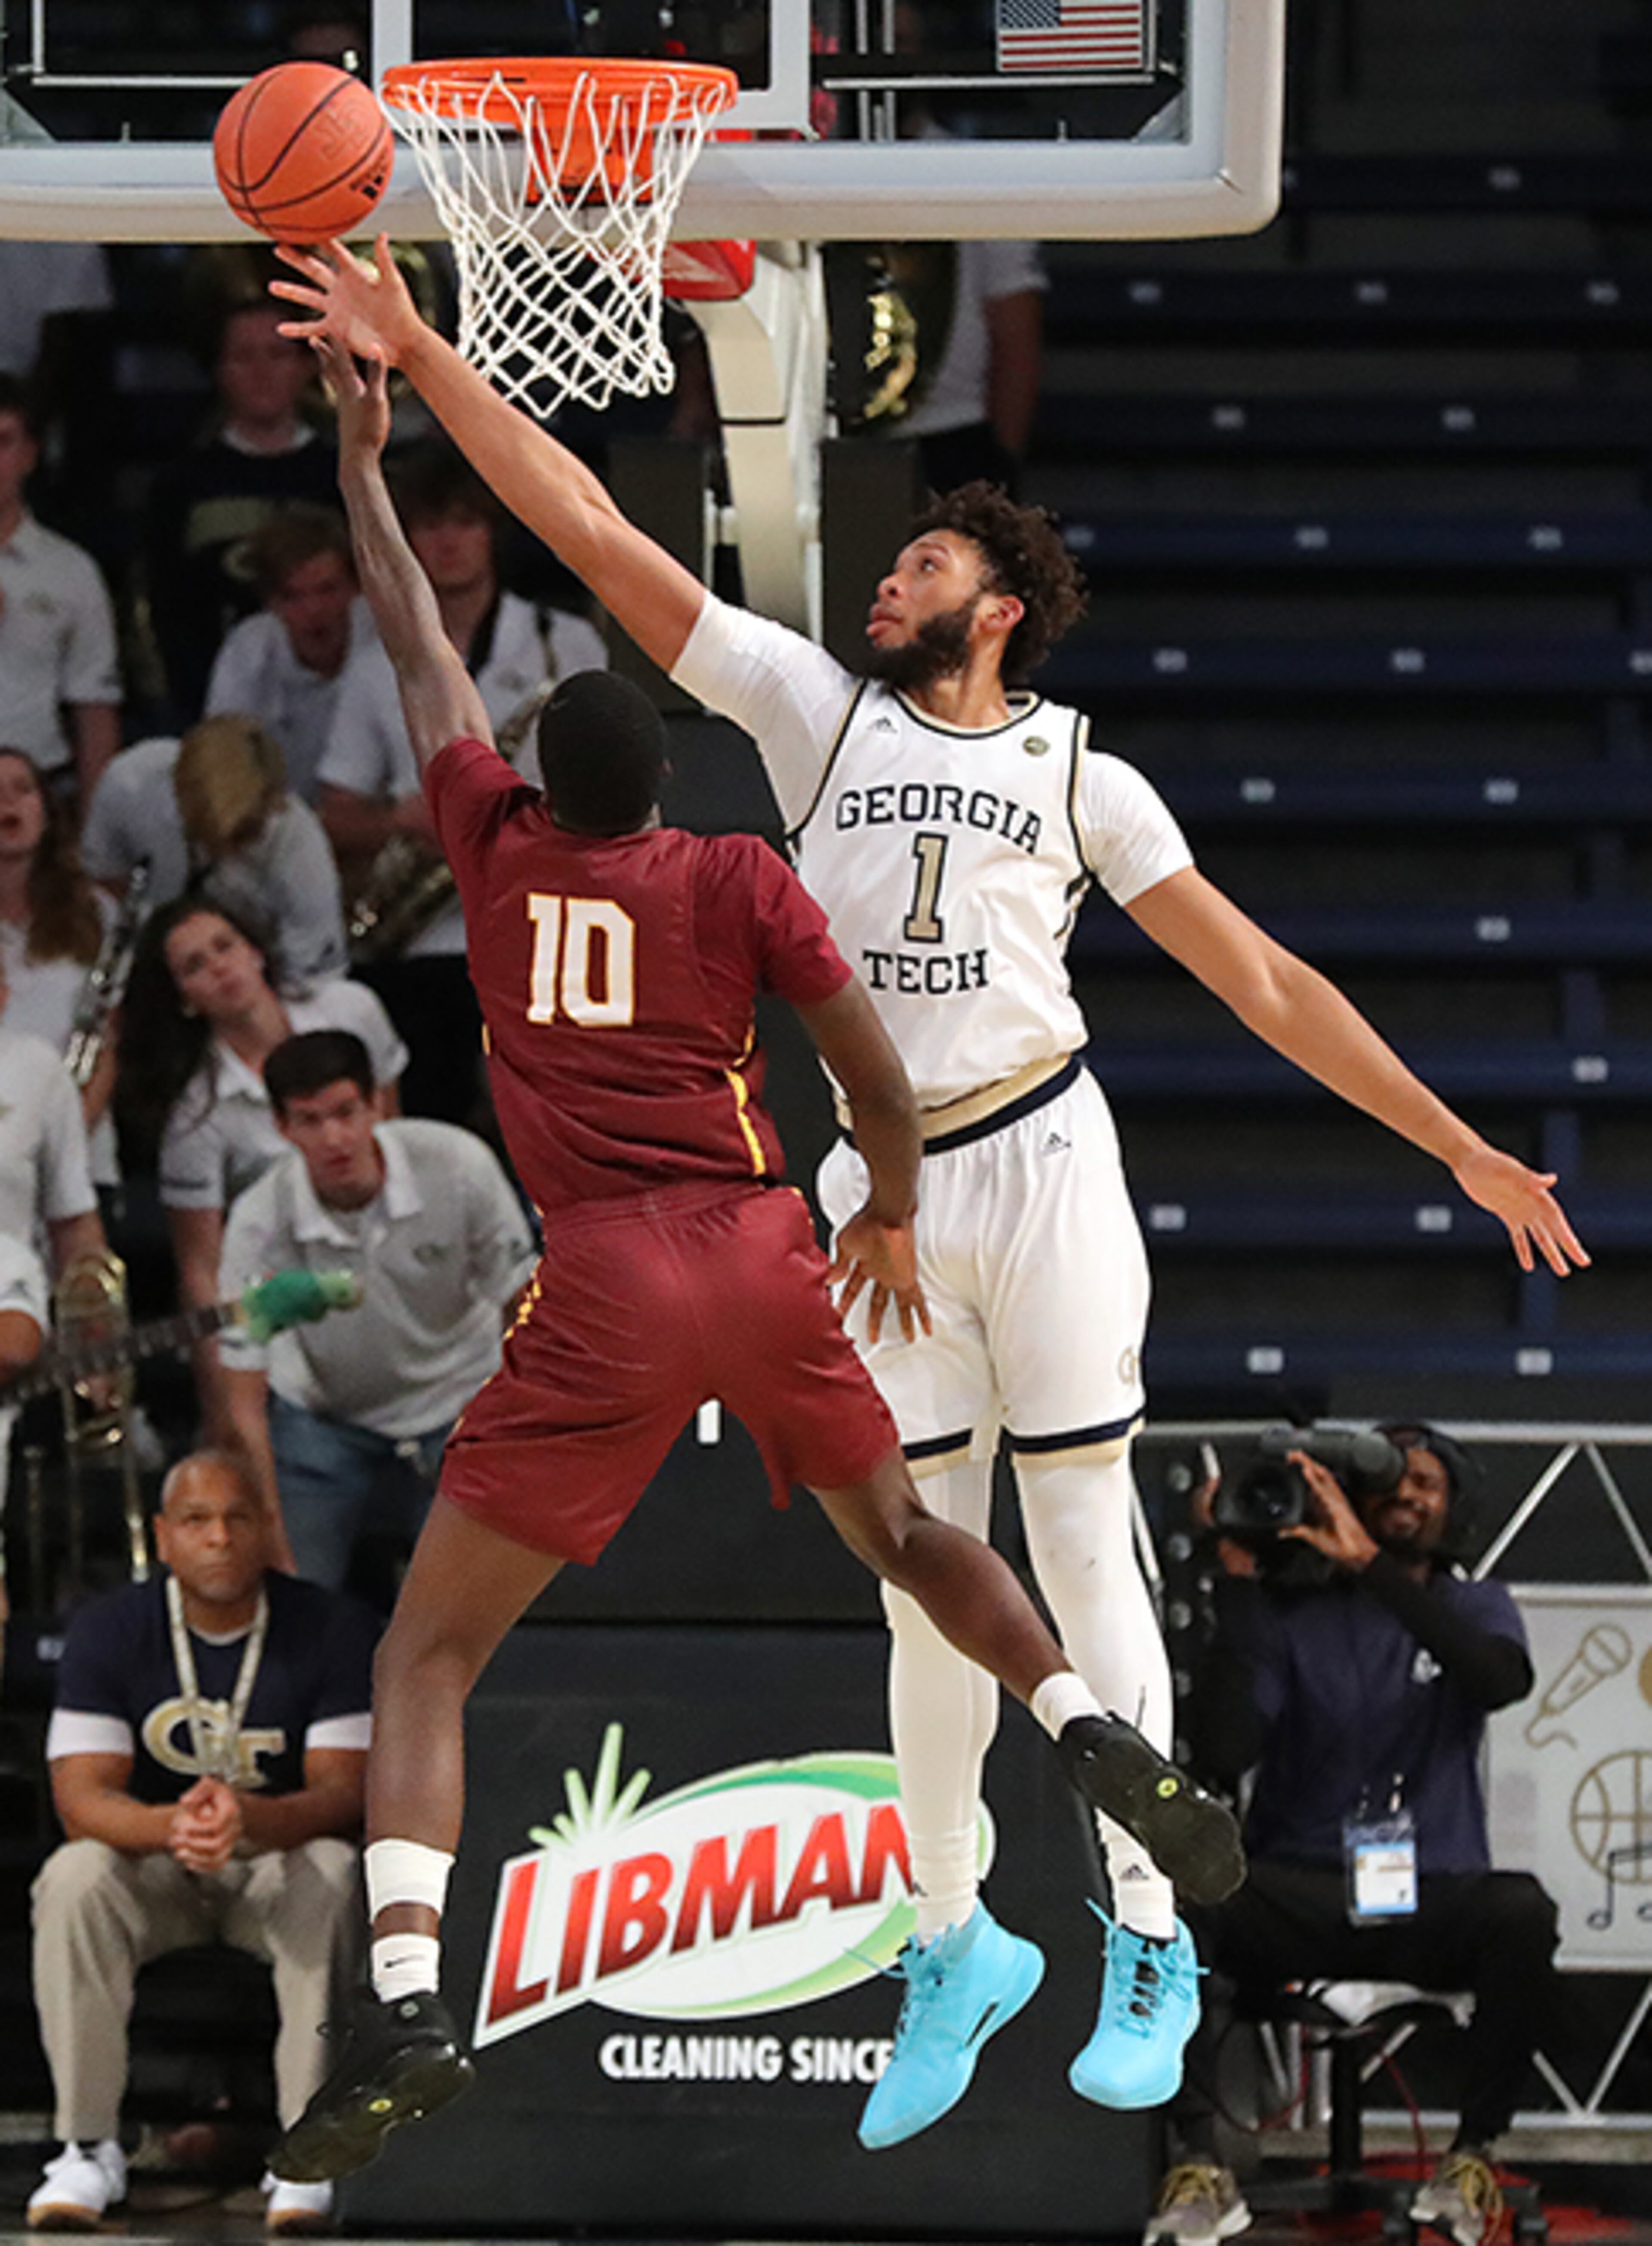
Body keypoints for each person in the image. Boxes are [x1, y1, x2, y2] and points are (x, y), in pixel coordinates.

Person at [268, 235, 1588, 2154]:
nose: (885, 575)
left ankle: (1144, 1931)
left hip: (1035, 1157)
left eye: (922, 564)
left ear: (1004, 605)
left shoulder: (1081, 775)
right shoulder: (815, 714)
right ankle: (951, 1937)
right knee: (913, 1585)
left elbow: (1269, 984)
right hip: (856, 1193)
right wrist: (424, 355)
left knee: (1073, 1534)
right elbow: (582, 533)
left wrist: (1452, 1143)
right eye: (890, 563)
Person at [267, 333, 1242, 2187]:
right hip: (772, 1244)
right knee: (924, 1547)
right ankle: (1078, 1742)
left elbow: (421, 648)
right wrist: (878, 1192)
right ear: (668, 785)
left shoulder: (484, 846)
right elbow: (866, 1059)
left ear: (529, 788)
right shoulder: (735, 871)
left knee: (426, 1656)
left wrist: (366, 464)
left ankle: (403, 1990)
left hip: (608, 1282)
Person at [1146, 1427, 1559, 2246]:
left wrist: (1369, 1563)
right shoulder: (1289, 1617)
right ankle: (1200, 2161)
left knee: (1523, 1912)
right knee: (1174, 1896)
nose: (1408, 1494)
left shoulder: (1471, 1602)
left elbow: (1499, 1680)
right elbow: (1228, 1751)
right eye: (1391, 1481)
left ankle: (1471, 2158)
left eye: (1428, 1484)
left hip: (1429, 1895)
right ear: (1349, 1499)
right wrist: (1237, 1583)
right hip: (1301, 1888)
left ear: (1455, 1507)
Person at [26, 1450, 377, 2235]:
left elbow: (343, 1794)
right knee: (74, 1875)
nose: (218, 1537)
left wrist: (248, 1820)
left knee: (334, 1868)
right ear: (164, 1536)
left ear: (265, 1529)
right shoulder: (111, 1630)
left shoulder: (331, 1628)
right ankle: (85, 2147)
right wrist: (174, 1827)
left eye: (236, 1518)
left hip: (274, 1867)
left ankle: (306, 2148)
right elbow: (80, 1797)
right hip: (157, 1868)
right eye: (197, 1520)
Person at [316, 438, 607, 1124]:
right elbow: (333, 815)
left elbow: (612, 787)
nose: (448, 542)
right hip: (423, 944)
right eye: (431, 526)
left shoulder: (565, 645)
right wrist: (402, 821)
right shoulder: (371, 668)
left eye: (465, 522)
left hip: (544, 921)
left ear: (493, 533)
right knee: (431, 1112)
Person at [219, 1029, 537, 1590]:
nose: (334, 1138)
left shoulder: (458, 1166)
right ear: (282, 1128)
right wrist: (273, 1540)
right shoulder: (258, 1222)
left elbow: (524, 1307)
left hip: (461, 1398)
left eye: (345, 1112)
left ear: (377, 1105)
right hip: (324, 1419)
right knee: (296, 1607)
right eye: (310, 1121)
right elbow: (243, 1402)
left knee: (478, 1604)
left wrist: (518, 1439)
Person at [114, 897, 405, 1442]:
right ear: (183, 1000)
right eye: (194, 966)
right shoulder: (196, 1119)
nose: (220, 968)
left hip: (395, 1254)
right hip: (295, 1299)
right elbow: (201, 1270)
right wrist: (222, 1409)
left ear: (255, 952)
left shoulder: (352, 1010)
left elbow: (398, 1136)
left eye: (225, 947)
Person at [143, 301, 339, 725]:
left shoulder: (343, 475)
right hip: (215, 700)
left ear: (306, 366)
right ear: (219, 370)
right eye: (244, 357)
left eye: (277, 355)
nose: (262, 372)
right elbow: (167, 608)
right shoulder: (181, 485)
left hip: (337, 700)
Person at [80, 716, 347, 984]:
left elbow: (313, 978)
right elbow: (105, 883)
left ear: (273, 802)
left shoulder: (298, 841)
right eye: (202, 830)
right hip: (148, 962)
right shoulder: (130, 781)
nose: (225, 847)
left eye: (244, 834)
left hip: (255, 983)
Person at [0, 374, 121, 806]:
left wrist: (94, 837)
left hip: (43, 791)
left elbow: (95, 708)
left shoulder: (70, 571)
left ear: (29, 455)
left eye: (3, 442)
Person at [206, 505, 377, 806]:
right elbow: (222, 763)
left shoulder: (388, 643)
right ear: (270, 602)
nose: (314, 611)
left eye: (328, 590)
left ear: (357, 588)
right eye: (293, 597)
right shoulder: (247, 652)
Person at [0, 747, 119, 1160]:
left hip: (80, 1149)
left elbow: (109, 1039)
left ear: (47, 810)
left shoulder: (97, 912)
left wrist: (66, 1138)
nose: (8, 803)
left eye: (23, 789)